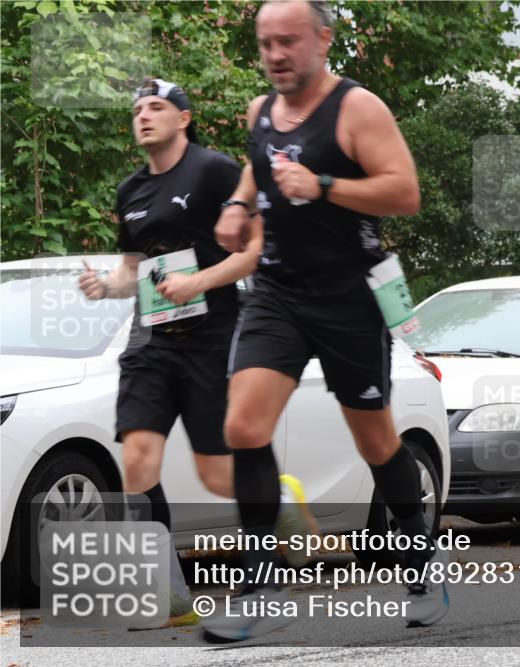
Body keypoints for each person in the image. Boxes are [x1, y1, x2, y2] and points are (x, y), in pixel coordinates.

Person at [201, 0, 446, 643]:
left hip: (349, 298)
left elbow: (405, 192)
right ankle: (258, 584)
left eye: (288, 41)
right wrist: (234, 206)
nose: (276, 55)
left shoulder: (358, 109)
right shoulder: (259, 113)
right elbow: (258, 170)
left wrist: (326, 185)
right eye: (265, 43)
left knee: (376, 442)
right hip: (278, 291)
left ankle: (419, 560)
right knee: (243, 425)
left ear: (322, 40)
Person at [78, 77, 314, 628]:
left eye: (156, 107)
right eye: (138, 109)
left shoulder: (212, 171)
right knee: (136, 459)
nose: (144, 116)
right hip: (151, 341)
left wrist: (199, 282)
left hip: (213, 338)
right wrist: (105, 287)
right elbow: (133, 274)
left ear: (183, 118)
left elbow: (255, 251)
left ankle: (276, 503)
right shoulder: (130, 191)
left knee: (214, 475)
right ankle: (169, 597)